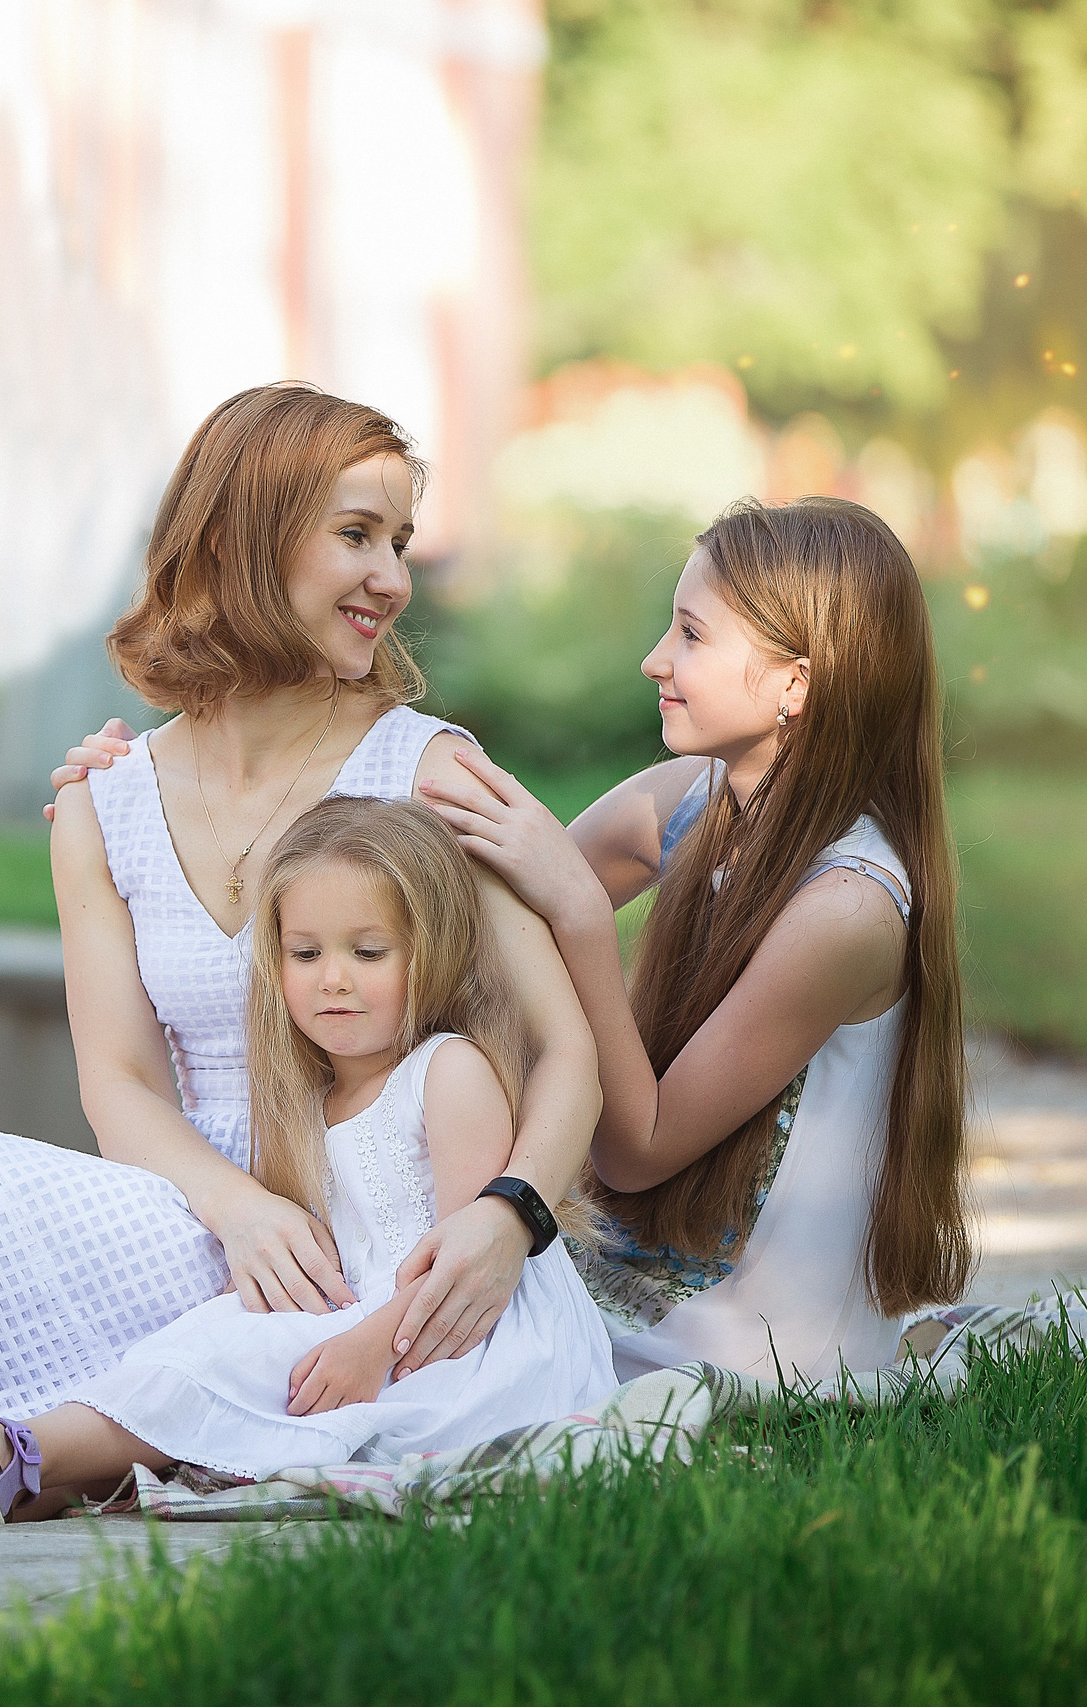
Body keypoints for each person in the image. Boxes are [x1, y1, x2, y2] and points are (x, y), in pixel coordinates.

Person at [0, 384, 601, 1545]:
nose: (392, 578)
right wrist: (232, 1207)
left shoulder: (421, 771)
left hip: (370, 1232)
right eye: (355, 536)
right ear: (242, 539)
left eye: (398, 542)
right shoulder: (105, 803)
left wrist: (507, 1217)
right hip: (197, 1214)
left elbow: (564, 1046)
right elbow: (118, 1084)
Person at [56, 495, 969, 1390]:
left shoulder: (848, 910)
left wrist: (580, 914)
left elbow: (638, 1146)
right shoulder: (689, 800)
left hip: (745, 1339)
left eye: (691, 635)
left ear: (795, 683)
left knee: (376, 1348)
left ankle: (47, 1445)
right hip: (637, 1278)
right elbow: (473, 946)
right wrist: (149, 780)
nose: (656, 659)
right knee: (333, 1319)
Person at [0, 798, 617, 1541]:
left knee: (229, 1353)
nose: (332, 976)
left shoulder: (449, 1071)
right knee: (207, 1339)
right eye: (305, 953)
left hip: (457, 1338)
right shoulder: (316, 1098)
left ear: (433, 950)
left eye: (367, 951)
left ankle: (12, 1454)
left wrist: (369, 1345)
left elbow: (466, 1266)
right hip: (376, 1321)